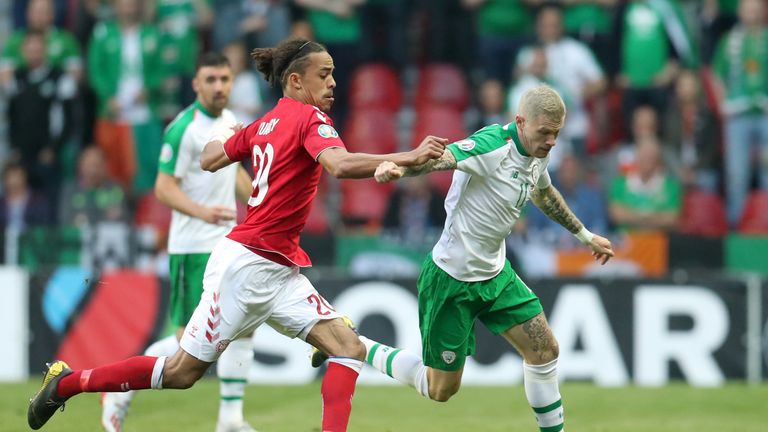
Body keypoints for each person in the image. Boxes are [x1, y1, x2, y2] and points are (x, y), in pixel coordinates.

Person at [27, 37, 446, 432]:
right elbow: (338, 164)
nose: (334, 82)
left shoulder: (264, 124)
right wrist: (407, 155)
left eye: (334, 73)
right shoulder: (309, 119)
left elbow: (210, 159)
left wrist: (225, 135)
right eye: (325, 73)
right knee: (180, 372)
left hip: (277, 268)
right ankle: (68, 383)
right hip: (247, 267)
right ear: (296, 80)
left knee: (348, 348)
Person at [352, 85, 614, 431]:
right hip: (451, 280)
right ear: (520, 121)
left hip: (496, 275)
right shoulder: (492, 146)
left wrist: (584, 235)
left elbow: (544, 193)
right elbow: (440, 159)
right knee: (440, 389)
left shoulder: (538, 151)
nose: (551, 141)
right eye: (545, 133)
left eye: (556, 134)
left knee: (545, 351)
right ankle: (355, 345)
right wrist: (399, 170)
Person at [99, 52, 258, 432]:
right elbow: (163, 188)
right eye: (211, 80)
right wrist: (202, 212)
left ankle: (231, 420)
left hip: (228, 244)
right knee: (189, 343)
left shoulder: (228, 124)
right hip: (192, 248)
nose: (219, 86)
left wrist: (259, 201)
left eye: (224, 79)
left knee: (245, 326)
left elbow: (232, 174)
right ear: (196, 84)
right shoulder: (182, 129)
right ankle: (120, 391)